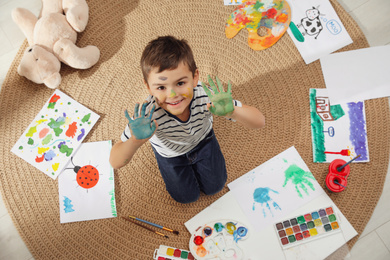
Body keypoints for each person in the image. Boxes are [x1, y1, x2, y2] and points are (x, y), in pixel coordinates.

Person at [109, 35, 265, 203]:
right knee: (186, 198)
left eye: (181, 83)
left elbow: (259, 122)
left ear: (195, 77)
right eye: (161, 87)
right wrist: (135, 140)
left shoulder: (206, 95)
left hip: (204, 140)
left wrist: (232, 111)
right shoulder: (146, 116)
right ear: (148, 86)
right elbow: (115, 162)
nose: (173, 95)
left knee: (216, 187)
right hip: (170, 154)